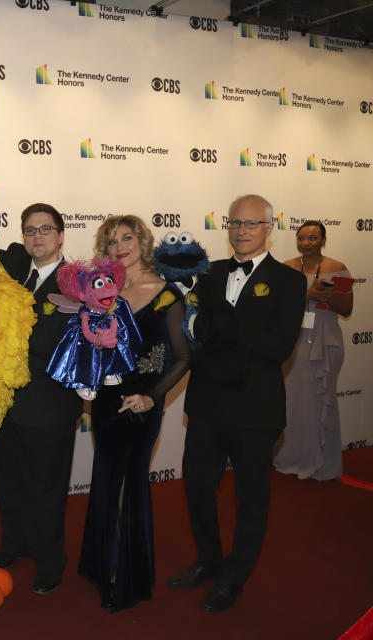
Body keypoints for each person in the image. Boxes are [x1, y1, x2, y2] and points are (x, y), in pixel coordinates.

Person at [169, 194, 305, 613]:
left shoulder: (288, 280)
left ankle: (235, 575)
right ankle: (209, 560)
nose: (241, 231)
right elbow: (195, 333)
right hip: (208, 403)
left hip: (255, 409)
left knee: (252, 496)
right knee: (196, 485)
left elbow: (278, 346)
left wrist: (225, 327)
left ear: (269, 228)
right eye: (234, 223)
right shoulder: (208, 274)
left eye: (250, 224)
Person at [77, 215, 190, 611]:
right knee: (106, 476)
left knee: (130, 480)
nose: (119, 246)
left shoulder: (165, 294)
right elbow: (89, 343)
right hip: (107, 401)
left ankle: (122, 575)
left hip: (142, 403)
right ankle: (100, 563)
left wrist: (151, 397)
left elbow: (182, 356)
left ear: (142, 242)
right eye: (111, 241)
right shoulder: (100, 292)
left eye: (127, 238)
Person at [0, 203, 83, 595]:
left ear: (61, 235)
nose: (36, 237)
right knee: (7, 479)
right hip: (3, 403)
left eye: (45, 230)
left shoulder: (78, 281)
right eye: (29, 230)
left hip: (49, 402)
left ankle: (49, 558)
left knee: (46, 485)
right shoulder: (11, 275)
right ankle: (14, 543)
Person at [275, 221, 353, 480]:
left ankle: (323, 464)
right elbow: (277, 306)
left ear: (323, 239)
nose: (306, 242)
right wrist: (307, 295)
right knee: (293, 402)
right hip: (293, 341)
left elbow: (347, 309)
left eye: (312, 238)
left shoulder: (339, 268)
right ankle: (291, 457)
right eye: (301, 238)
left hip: (326, 340)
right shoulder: (285, 268)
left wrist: (329, 299)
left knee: (321, 400)